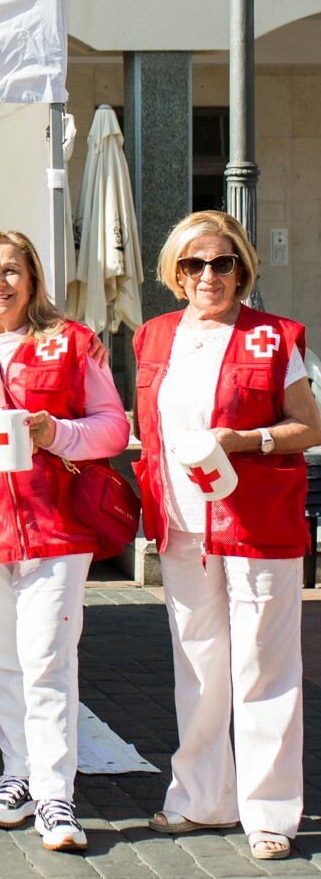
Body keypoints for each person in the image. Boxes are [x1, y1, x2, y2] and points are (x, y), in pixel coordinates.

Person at [132, 211, 320, 861]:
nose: (208, 275)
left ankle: (269, 814)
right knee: (199, 670)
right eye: (193, 264)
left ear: (242, 267)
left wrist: (245, 440)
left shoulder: (273, 338)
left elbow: (309, 425)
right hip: (183, 529)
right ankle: (201, 799)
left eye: (221, 263)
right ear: (175, 274)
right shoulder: (154, 337)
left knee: (264, 670)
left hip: (259, 525)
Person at [0, 230, 129, 852]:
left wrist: (59, 433)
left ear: (33, 279)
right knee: (2, 660)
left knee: (48, 658)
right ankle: (16, 776)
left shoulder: (71, 343)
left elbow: (114, 428)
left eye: (12, 270)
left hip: (55, 528)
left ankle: (55, 794)